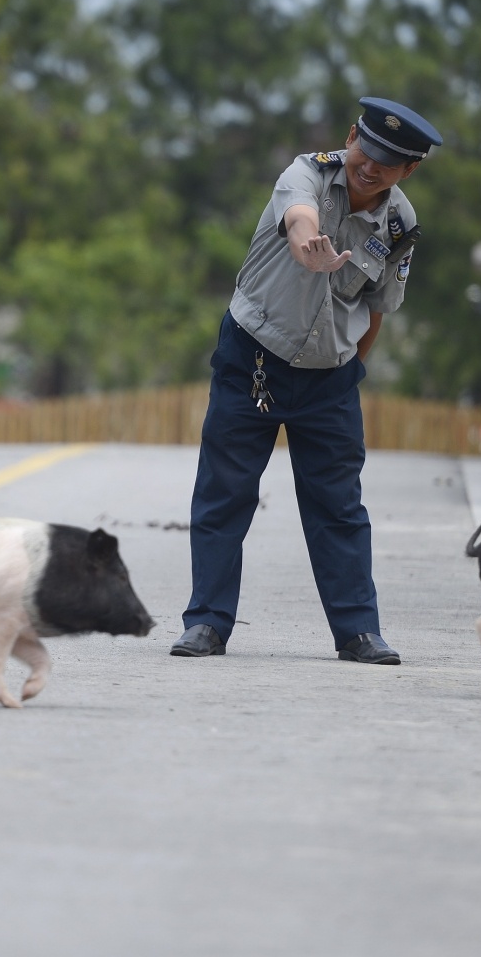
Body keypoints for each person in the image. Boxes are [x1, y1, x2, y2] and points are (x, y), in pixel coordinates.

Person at [169, 97, 442, 664]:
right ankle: (207, 623)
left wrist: (351, 371)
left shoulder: (399, 224)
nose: (370, 166)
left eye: (389, 161)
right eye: (366, 149)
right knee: (225, 494)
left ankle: (358, 632)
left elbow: (379, 306)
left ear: (409, 170)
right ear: (351, 137)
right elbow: (300, 220)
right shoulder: (306, 174)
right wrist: (308, 248)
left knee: (339, 507)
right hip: (255, 359)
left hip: (330, 378)